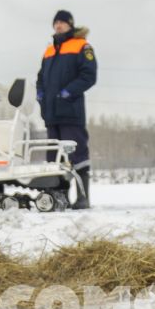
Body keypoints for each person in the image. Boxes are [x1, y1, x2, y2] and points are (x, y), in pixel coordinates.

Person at [35, 11, 97, 210]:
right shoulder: (49, 50)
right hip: (51, 114)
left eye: (62, 22)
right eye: (56, 22)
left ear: (70, 25)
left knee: (77, 154)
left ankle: (82, 198)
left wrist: (68, 92)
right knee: (54, 159)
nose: (59, 25)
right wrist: (40, 94)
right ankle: (59, 198)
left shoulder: (81, 46)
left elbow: (89, 75)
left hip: (71, 112)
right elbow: (40, 77)